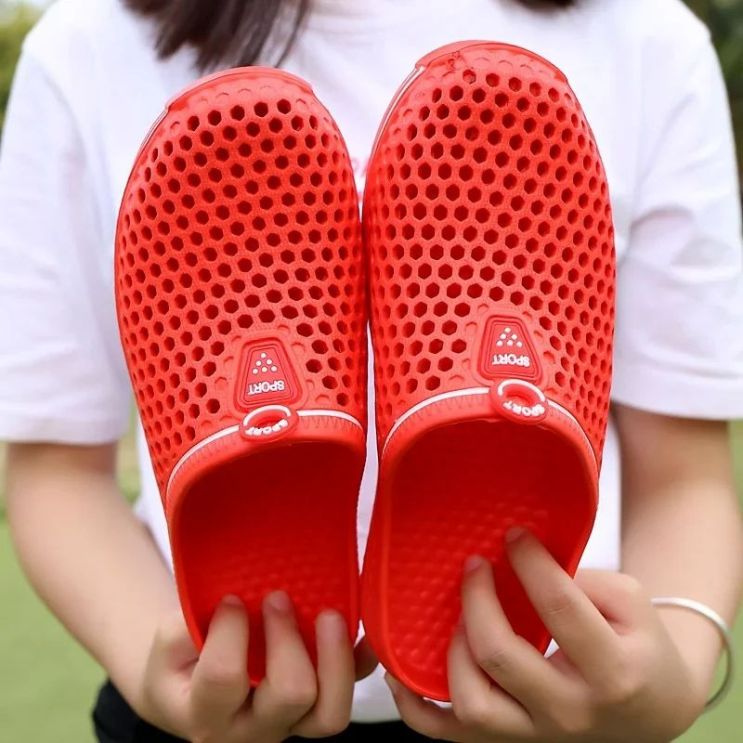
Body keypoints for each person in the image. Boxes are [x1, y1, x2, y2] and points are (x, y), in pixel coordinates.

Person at [1, 0, 742, 741]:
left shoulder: (649, 42)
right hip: (205, 700)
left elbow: (683, 477)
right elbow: (53, 469)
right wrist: (157, 673)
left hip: (558, 704)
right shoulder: (85, 49)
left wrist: (672, 672)